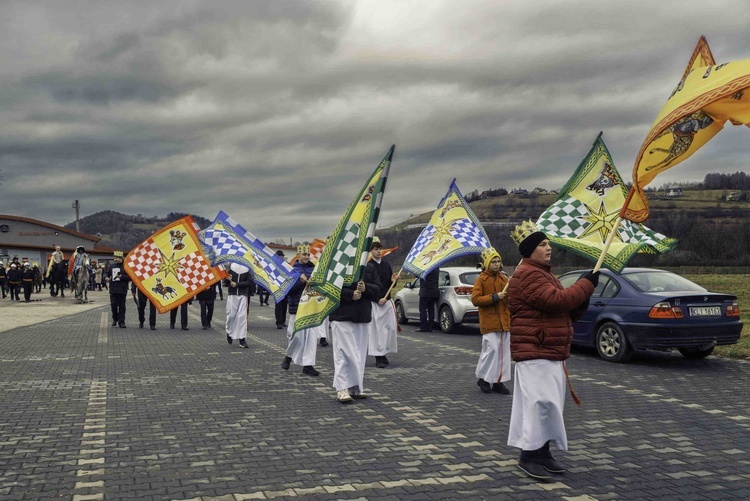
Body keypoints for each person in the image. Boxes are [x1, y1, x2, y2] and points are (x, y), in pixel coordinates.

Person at [506, 221, 598, 480]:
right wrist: (586, 285)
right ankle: (528, 456)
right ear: (529, 250)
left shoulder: (545, 274)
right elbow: (556, 301)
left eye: (548, 244)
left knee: (549, 406)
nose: (549, 248)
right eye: (542, 245)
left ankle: (543, 453)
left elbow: (566, 308)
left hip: (549, 351)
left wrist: (584, 296)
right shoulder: (527, 274)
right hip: (535, 350)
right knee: (538, 405)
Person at [329, 260, 382, 403]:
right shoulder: (338, 263)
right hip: (341, 315)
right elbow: (329, 288)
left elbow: (378, 289)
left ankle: (355, 386)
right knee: (343, 353)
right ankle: (342, 388)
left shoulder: (369, 267)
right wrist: (349, 294)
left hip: (362, 316)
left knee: (358, 354)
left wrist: (366, 288)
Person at [471, 247, 511, 395]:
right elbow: (475, 299)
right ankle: (484, 378)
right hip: (490, 322)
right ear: (487, 263)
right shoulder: (481, 279)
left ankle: (498, 381)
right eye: (493, 261)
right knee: (491, 351)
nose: (496, 264)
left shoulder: (504, 279)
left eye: (498, 261)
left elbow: (509, 299)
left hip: (504, 322)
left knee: (503, 353)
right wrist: (494, 297)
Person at [280, 243, 322, 376]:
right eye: (304, 254)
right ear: (298, 255)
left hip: (311, 307)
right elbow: (288, 291)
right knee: (295, 335)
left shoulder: (314, 269)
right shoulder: (292, 270)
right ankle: (288, 356)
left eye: (308, 254)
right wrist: (301, 282)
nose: (307, 256)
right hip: (297, 307)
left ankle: (308, 365)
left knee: (311, 338)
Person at [367, 237, 399, 368]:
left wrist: (394, 281)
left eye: (380, 249)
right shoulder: (368, 266)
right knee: (377, 331)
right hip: (375, 302)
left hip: (387, 300)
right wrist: (376, 299)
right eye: (375, 249)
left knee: (390, 328)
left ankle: (384, 352)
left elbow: (390, 284)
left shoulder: (386, 265)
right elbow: (368, 286)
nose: (378, 251)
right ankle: (378, 356)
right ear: (371, 251)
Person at [225, 262, 254, 348]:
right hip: (232, 294)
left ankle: (242, 339)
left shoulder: (248, 267)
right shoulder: (231, 266)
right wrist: (227, 279)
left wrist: (237, 284)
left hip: (243, 295)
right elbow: (226, 283)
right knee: (231, 315)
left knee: (241, 317)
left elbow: (250, 282)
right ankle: (229, 332)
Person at [106, 251, 130, 328]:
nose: (115, 259)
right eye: (114, 258)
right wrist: (105, 277)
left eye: (116, 258)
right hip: (113, 289)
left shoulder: (126, 267)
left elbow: (130, 277)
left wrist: (122, 277)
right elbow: (106, 273)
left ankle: (121, 321)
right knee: (113, 305)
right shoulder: (112, 266)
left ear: (120, 258)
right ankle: (115, 318)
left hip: (122, 289)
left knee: (122, 306)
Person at [415, 267, 440, 332]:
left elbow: (418, 275)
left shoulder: (426, 267)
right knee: (431, 309)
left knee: (423, 310)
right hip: (434, 291)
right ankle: (430, 327)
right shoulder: (436, 267)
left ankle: (423, 327)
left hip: (425, 291)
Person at [274, 250, 289, 329]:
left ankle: (282, 321)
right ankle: (279, 322)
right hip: (278, 288)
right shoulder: (274, 266)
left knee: (283, 306)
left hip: (285, 288)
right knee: (280, 305)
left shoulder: (286, 266)